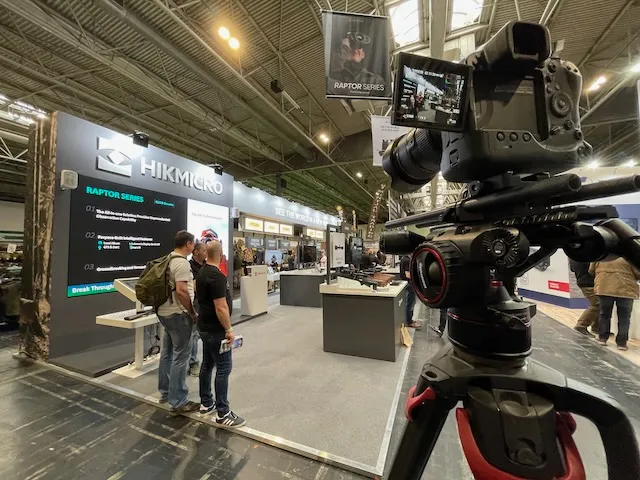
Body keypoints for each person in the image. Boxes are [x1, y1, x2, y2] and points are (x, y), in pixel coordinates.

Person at [196, 240, 246, 427]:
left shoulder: (201, 271)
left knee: (207, 364)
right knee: (223, 368)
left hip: (204, 326)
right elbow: (221, 306)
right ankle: (223, 413)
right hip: (216, 330)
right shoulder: (216, 276)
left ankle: (206, 402)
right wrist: (229, 329)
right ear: (221, 253)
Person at [157, 230, 199, 414]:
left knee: (167, 353)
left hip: (164, 313)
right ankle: (178, 400)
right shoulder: (181, 263)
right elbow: (182, 291)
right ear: (188, 244)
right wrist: (191, 312)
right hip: (178, 315)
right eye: (193, 243)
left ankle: (166, 392)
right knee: (181, 356)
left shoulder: (166, 260)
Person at [590, 258, 640, 351]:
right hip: (626, 290)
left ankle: (602, 338)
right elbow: (638, 273)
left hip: (604, 288)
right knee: (624, 318)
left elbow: (591, 270)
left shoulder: (601, 255)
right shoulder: (629, 256)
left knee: (604, 315)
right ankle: (622, 343)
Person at [187, 242, 206, 376]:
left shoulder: (205, 265)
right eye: (203, 250)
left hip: (204, 302)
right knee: (193, 334)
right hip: (194, 303)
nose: (206, 252)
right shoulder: (189, 266)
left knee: (200, 333)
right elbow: (194, 286)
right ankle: (193, 363)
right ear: (196, 252)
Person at [570, 259, 599, 337]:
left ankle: (597, 327)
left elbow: (572, 269)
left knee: (600, 303)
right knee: (597, 304)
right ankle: (581, 326)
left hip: (583, 281)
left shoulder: (573, 256)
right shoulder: (586, 255)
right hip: (588, 282)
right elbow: (592, 269)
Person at [399, 254, 422, 329]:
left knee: (409, 303)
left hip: (406, 283)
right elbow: (408, 274)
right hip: (410, 284)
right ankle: (409, 322)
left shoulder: (403, 258)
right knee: (410, 303)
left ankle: (409, 320)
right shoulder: (407, 260)